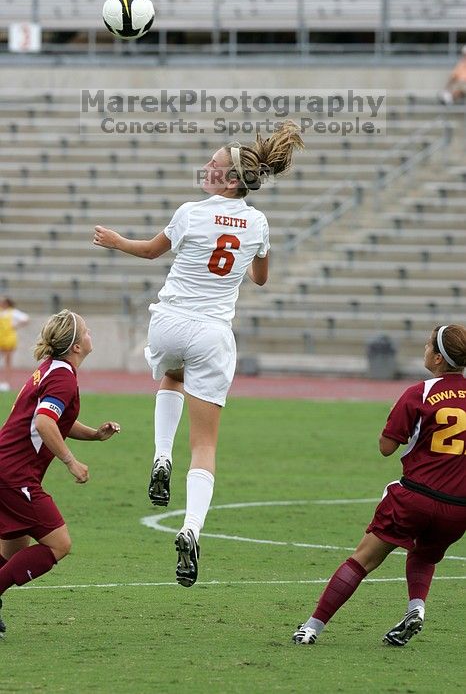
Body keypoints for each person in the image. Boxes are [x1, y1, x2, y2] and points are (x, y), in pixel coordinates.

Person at [93, 121, 304, 587]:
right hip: (212, 332)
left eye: (213, 163)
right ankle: (191, 528)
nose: (206, 167)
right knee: (205, 445)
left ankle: (160, 457)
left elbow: (150, 252)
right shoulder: (258, 222)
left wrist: (114, 241)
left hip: (168, 322)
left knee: (171, 375)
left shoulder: (190, 211)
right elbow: (261, 279)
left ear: (229, 179)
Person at [293, 324, 466, 647]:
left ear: (439, 358)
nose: (425, 349)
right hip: (458, 509)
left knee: (362, 560)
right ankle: (416, 608)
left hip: (415, 498)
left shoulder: (420, 392)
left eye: (429, 345)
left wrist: (392, 420)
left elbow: (386, 447)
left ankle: (311, 627)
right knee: (424, 555)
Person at [0, 309, 120, 636]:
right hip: (15, 474)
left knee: (12, 552)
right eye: (87, 330)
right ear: (77, 345)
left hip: (7, 468)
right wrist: (70, 461)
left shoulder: (51, 369)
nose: (90, 334)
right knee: (59, 544)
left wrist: (94, 434)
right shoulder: (63, 376)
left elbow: (54, 420)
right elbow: (43, 422)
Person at [0, 297, 30, 392]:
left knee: (8, 361)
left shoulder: (13, 312)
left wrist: (15, 325)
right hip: (1, 337)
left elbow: (26, 319)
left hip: (9, 338)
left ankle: (6, 382)